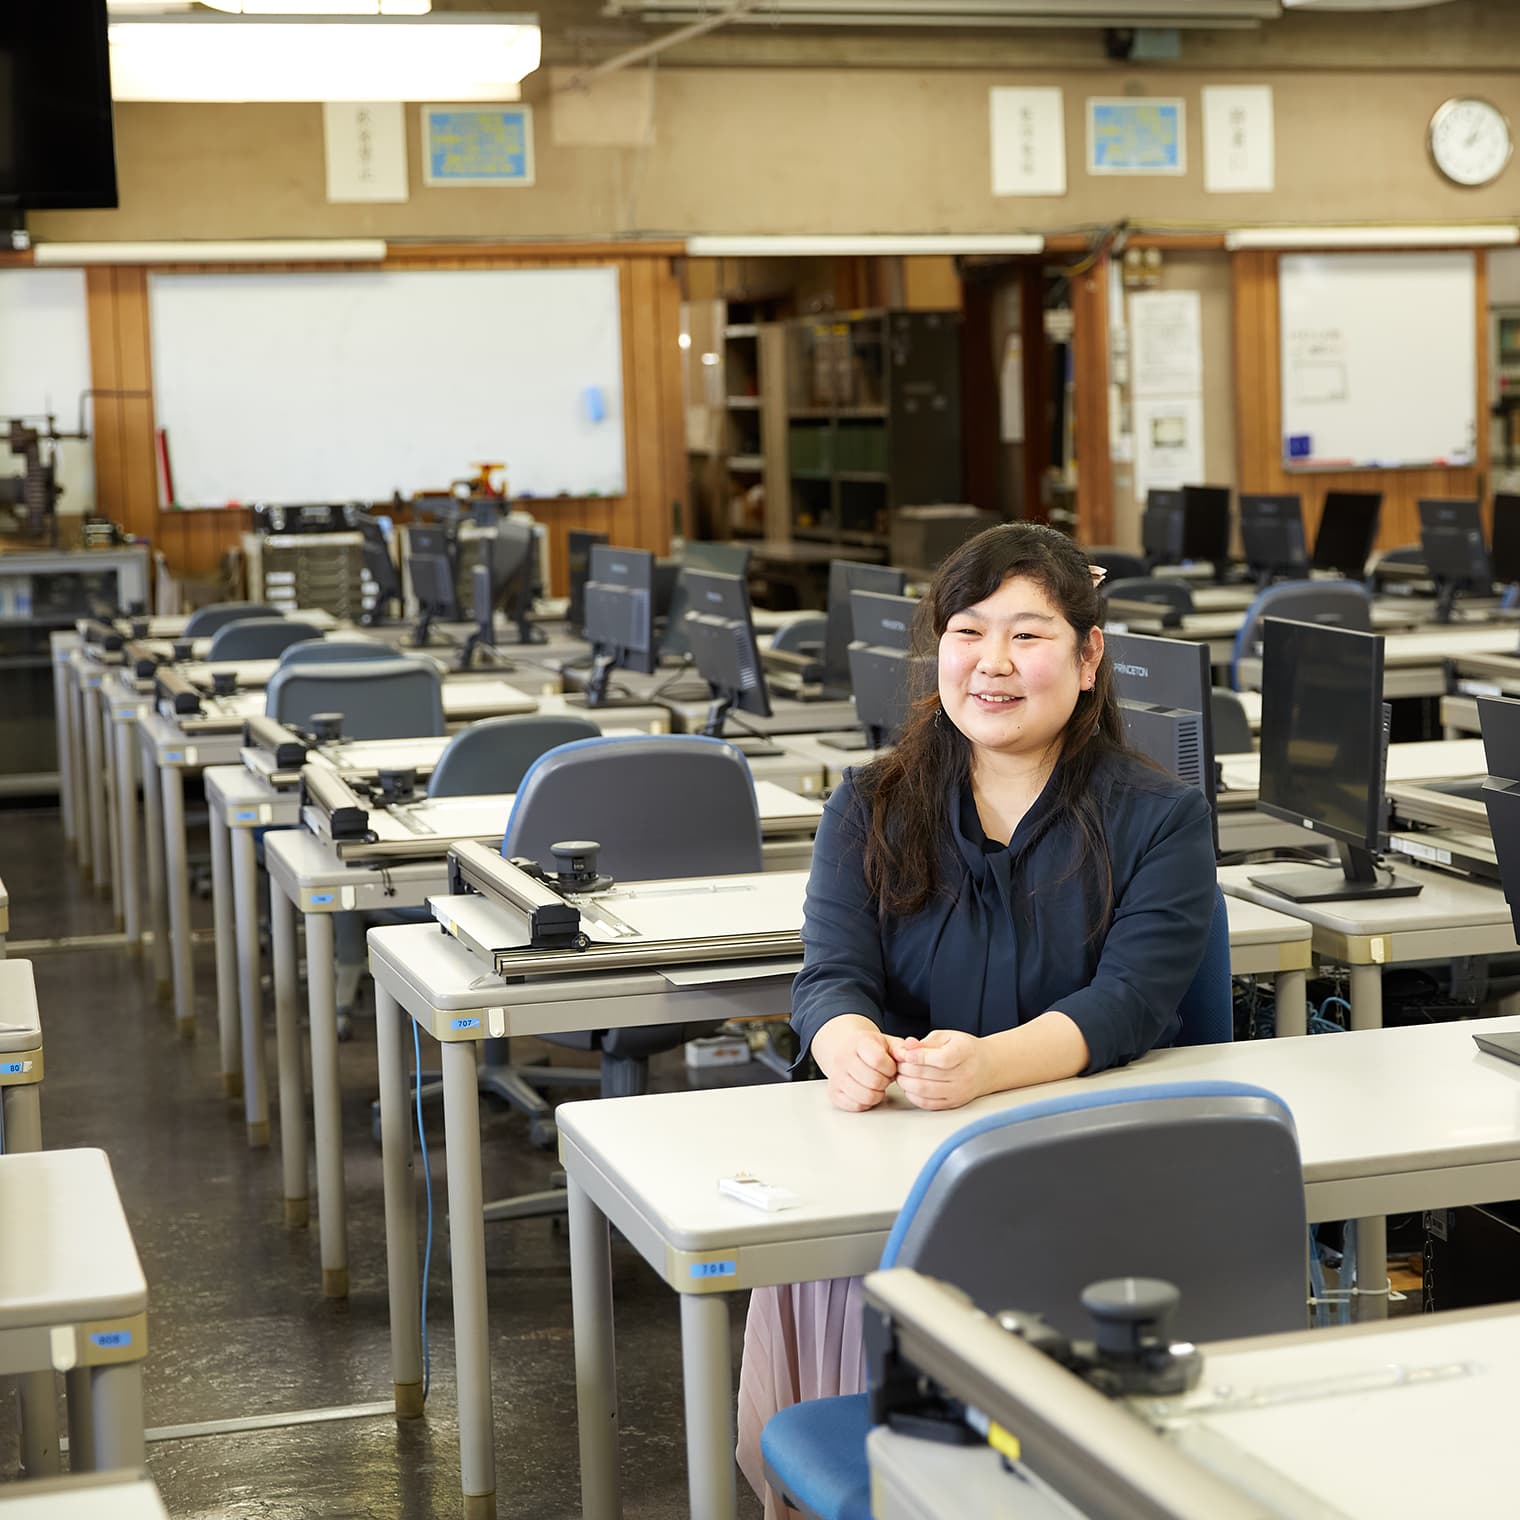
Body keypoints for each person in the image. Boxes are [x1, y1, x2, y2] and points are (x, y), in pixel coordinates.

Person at [736, 522, 1217, 1517]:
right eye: (966, 630)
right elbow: (827, 977)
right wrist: (846, 1047)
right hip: (883, 1174)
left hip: (1086, 1171)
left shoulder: (1158, 814)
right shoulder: (869, 801)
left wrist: (987, 1066)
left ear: (1088, 659)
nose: (991, 662)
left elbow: (1127, 1000)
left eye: (1027, 635)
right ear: (936, 650)